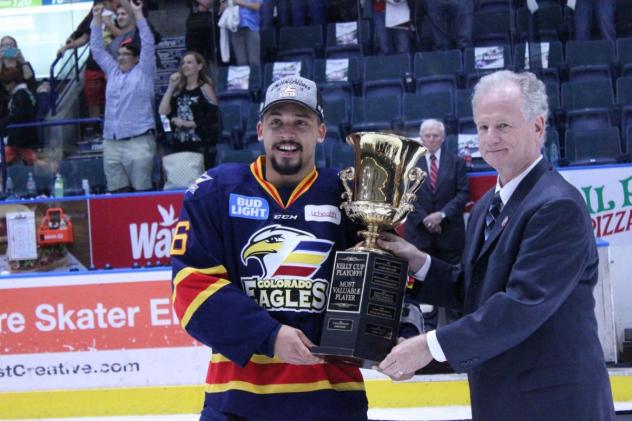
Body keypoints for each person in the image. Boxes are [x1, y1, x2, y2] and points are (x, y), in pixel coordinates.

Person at [375, 70, 616, 420]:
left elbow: (520, 306)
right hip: (503, 397)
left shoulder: (556, 205)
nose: (490, 138)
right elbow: (475, 290)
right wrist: (418, 261)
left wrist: (430, 346)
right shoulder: (490, 202)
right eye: (483, 127)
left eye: (503, 125)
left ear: (537, 126)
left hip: (556, 405)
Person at [170, 76, 370, 420]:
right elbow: (191, 285)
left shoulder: (351, 196)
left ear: (320, 132)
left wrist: (387, 332)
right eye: (277, 123)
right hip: (237, 401)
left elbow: (379, 278)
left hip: (332, 400)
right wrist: (269, 335)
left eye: (300, 123)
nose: (287, 134)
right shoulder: (216, 191)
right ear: (260, 130)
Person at [403, 119, 469, 330]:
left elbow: (463, 194)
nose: (431, 140)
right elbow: (406, 197)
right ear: (421, 138)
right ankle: (423, 337)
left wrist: (440, 216)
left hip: (450, 237)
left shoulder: (456, 162)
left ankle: (456, 337)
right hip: (419, 238)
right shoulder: (410, 164)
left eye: (435, 136)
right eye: (427, 136)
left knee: (455, 290)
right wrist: (426, 219)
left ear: (443, 138)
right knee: (422, 292)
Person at [90, 0, 157, 192]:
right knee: (116, 193)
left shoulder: (143, 71)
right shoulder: (112, 71)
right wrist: (96, 19)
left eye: (126, 54)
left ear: (136, 58)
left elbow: (148, 42)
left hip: (138, 141)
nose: (121, 57)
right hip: (111, 142)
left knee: (141, 192)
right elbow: (96, 49)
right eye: (119, 53)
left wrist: (138, 14)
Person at [157, 51, 219, 189]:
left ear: (199, 66)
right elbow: (162, 111)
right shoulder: (178, 91)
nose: (185, 65)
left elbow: (213, 116)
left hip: (200, 146)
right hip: (179, 146)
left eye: (190, 62)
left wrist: (188, 123)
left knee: (201, 186)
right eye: (183, 63)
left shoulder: (205, 88)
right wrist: (171, 86)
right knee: (181, 184)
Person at [58, 0, 124, 119]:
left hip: (115, 64)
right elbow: (84, 38)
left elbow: (125, 36)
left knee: (116, 97)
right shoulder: (93, 18)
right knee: (93, 100)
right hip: (94, 65)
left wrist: (108, 23)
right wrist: (66, 47)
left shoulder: (120, 15)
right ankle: (96, 128)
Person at [221, 0, 262, 66]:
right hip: (235, 27)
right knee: (241, 62)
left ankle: (255, 76)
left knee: (254, 61)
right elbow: (222, 9)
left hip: (251, 26)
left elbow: (257, 6)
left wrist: (238, 2)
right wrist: (224, 5)